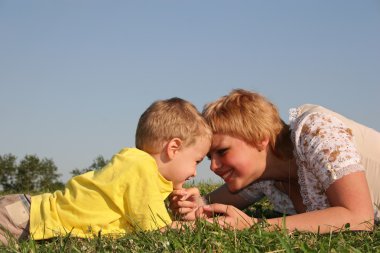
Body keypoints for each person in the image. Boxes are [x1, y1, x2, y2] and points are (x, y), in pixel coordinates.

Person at [0, 97, 212, 245]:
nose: (195, 173)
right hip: (23, 218)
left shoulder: (141, 171)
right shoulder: (141, 167)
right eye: (197, 161)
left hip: (28, 217)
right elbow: (157, 230)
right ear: (174, 148)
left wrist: (178, 205)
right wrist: (207, 225)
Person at [170, 89, 380, 234]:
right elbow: (209, 204)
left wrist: (255, 226)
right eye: (209, 157)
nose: (213, 166)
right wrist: (193, 204)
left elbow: (360, 216)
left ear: (261, 138)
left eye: (223, 151)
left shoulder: (315, 131)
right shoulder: (265, 178)